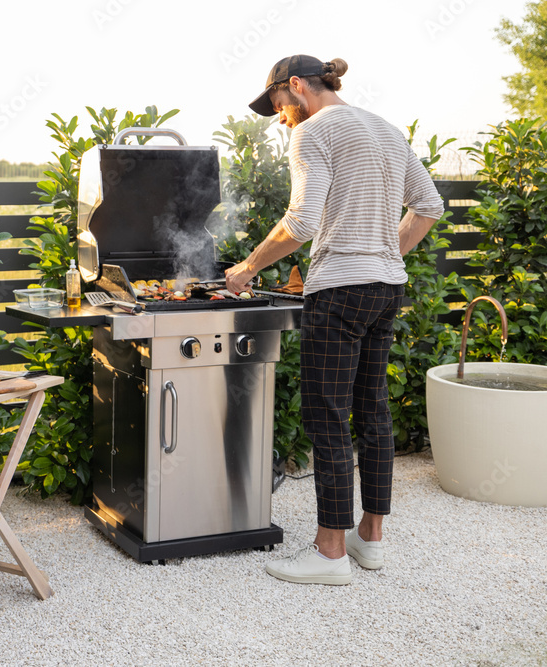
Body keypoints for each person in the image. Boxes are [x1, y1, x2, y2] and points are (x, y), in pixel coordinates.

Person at [225, 55, 445, 585]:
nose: (280, 118)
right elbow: (430, 203)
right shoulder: (386, 129)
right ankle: (370, 540)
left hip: (340, 292)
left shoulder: (313, 132)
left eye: (278, 105)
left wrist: (247, 268)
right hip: (386, 288)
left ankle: (328, 553)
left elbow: (301, 221)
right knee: (373, 411)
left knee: (326, 414)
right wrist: (382, 253)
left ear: (296, 87)